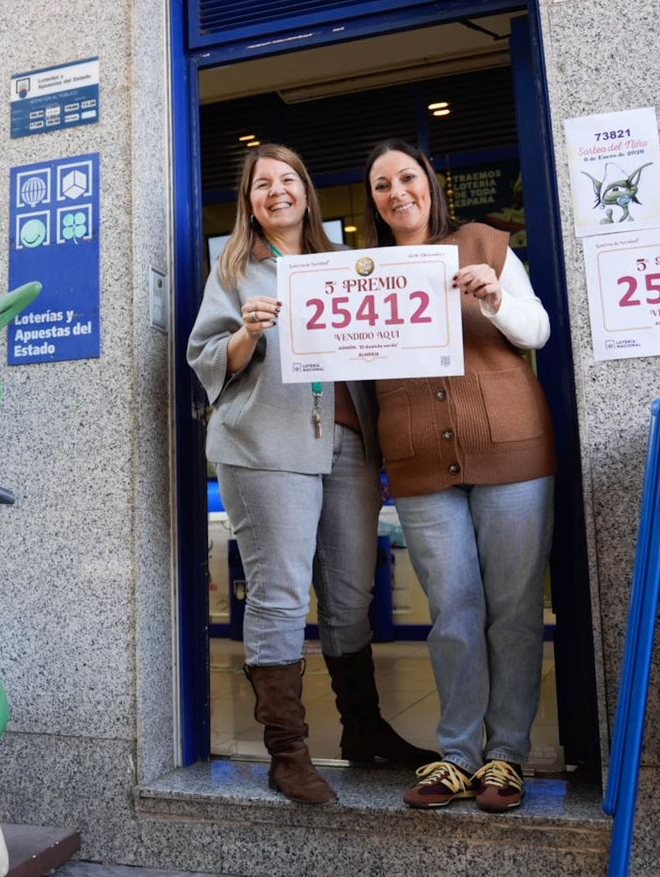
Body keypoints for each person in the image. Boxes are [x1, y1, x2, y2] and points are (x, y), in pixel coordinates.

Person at [187, 144, 437, 804]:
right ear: (249, 201)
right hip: (267, 443)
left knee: (352, 594)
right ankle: (288, 754)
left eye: (287, 179)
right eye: (261, 183)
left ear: (306, 191)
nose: (275, 191)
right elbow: (205, 356)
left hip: (348, 443)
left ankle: (363, 731)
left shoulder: (340, 266)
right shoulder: (236, 268)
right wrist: (246, 333)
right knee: (281, 594)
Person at [361, 139, 556, 813]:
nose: (396, 192)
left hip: (512, 453)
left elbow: (537, 331)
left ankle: (505, 757)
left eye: (406, 177)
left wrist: (497, 296)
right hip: (418, 466)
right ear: (374, 200)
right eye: (381, 184)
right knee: (452, 612)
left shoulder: (482, 243)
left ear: (429, 183)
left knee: (513, 610)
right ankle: (458, 755)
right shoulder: (364, 273)